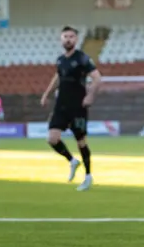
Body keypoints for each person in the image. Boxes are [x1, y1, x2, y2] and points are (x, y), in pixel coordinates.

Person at [41, 26, 102, 191]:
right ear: (61, 39)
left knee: (81, 141)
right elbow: (57, 78)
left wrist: (90, 96)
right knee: (52, 138)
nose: (68, 39)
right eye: (65, 36)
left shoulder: (82, 58)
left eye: (71, 36)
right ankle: (72, 161)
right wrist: (46, 94)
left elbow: (97, 78)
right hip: (61, 105)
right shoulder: (60, 60)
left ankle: (88, 176)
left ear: (76, 39)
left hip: (77, 107)